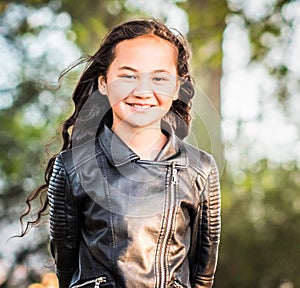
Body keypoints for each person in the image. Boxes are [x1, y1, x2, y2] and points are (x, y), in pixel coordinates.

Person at [21, 18, 221, 288]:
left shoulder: (201, 169)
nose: (143, 91)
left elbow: (202, 274)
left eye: (159, 78)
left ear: (176, 87)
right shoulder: (71, 168)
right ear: (104, 83)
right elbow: (66, 269)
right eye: (128, 76)